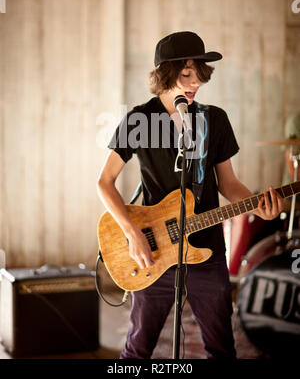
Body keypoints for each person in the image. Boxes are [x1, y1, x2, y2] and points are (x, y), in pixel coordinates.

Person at [97, 31, 284, 359]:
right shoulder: (140, 119)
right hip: (152, 252)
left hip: (207, 251)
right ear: (164, 74)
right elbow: (105, 182)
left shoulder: (215, 120)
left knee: (221, 347)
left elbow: (228, 184)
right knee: (138, 349)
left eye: (199, 73)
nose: (195, 82)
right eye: (186, 74)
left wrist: (259, 207)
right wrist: (133, 235)